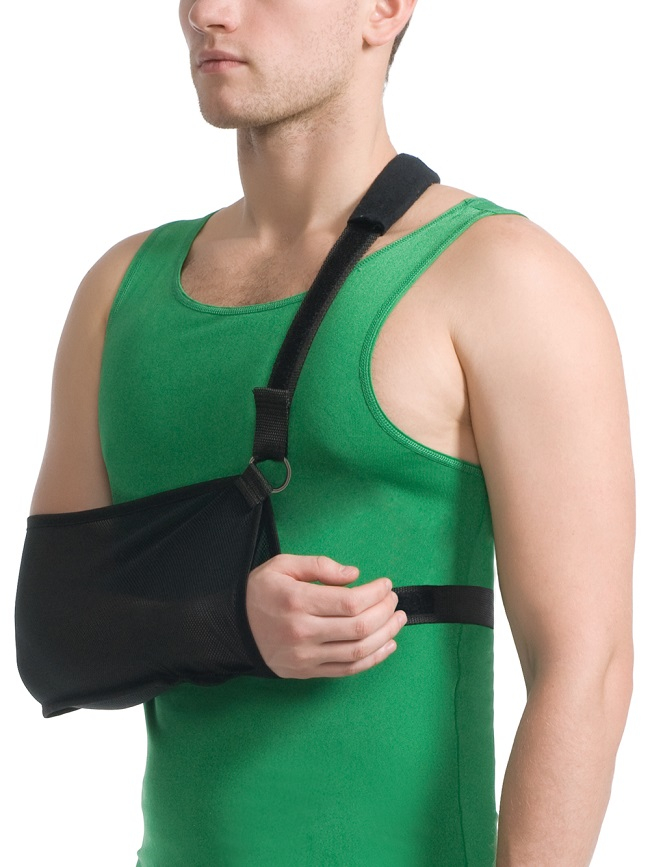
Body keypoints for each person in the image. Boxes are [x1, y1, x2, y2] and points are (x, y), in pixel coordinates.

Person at [27, 0, 634, 864]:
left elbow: (587, 667)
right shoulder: (118, 290)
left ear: (384, 10)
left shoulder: (504, 276)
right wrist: (230, 623)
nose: (207, 11)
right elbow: (53, 638)